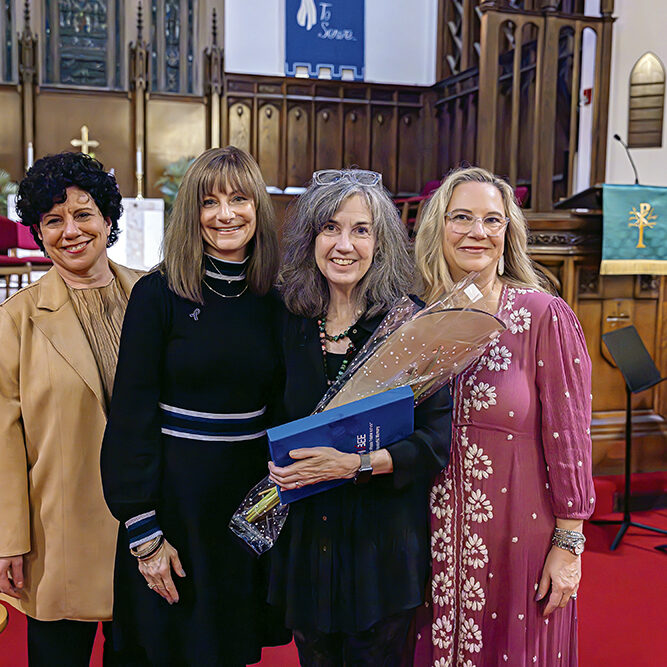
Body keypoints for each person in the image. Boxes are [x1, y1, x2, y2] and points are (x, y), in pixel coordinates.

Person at [100, 146, 291, 666]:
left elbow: (281, 412)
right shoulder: (156, 294)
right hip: (171, 505)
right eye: (210, 202)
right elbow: (129, 418)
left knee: (223, 650)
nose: (225, 214)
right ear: (192, 213)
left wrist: (270, 509)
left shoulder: (277, 300)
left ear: (258, 207)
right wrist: (143, 531)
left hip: (242, 507)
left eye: (239, 199)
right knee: (162, 648)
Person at [267, 169, 452, 666]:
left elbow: (436, 440)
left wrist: (355, 465)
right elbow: (266, 413)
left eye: (361, 230)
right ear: (310, 239)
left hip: (382, 544)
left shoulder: (410, 326)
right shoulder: (290, 322)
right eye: (330, 227)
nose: (343, 244)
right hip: (309, 539)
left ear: (382, 241)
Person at [412, 166, 595, 666]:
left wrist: (569, 545)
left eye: (492, 220)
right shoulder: (414, 318)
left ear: (508, 231)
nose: (477, 232)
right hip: (429, 541)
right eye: (462, 218)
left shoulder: (542, 314)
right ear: (437, 228)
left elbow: (571, 439)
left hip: (521, 540)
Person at [0, 152, 142, 665]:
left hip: (149, 534)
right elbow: (3, 443)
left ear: (108, 219)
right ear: (38, 233)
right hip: (58, 537)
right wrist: (8, 540)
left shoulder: (154, 295)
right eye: (53, 220)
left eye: (83, 214)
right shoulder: (16, 321)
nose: (71, 231)